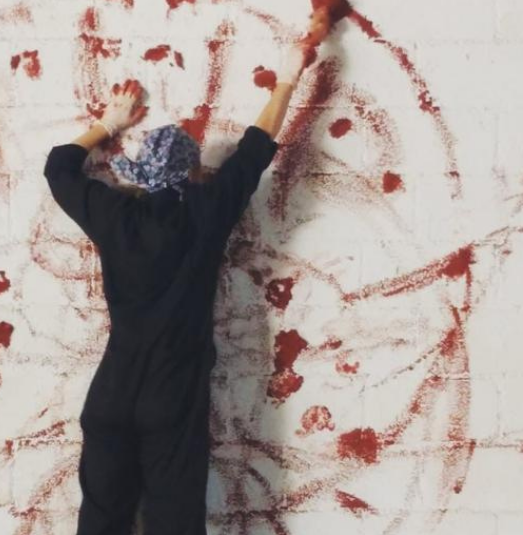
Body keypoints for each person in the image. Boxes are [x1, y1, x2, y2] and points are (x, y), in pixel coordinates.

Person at [42, 11, 331, 535]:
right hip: (172, 398)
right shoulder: (204, 214)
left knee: (100, 522)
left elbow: (58, 167)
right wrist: (289, 74)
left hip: (111, 392)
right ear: (191, 171)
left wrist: (111, 121)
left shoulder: (114, 217)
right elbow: (255, 149)